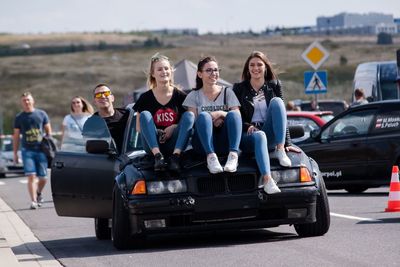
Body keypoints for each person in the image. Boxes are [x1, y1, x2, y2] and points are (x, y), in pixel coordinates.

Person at [233, 51, 300, 194]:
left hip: (269, 133)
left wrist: (288, 143)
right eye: (252, 65)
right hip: (249, 136)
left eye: (259, 64)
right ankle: (267, 180)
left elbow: (282, 115)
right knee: (260, 135)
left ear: (265, 67)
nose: (255, 68)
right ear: (247, 68)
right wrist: (248, 126)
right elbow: (235, 115)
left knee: (277, 102)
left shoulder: (275, 85)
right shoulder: (239, 88)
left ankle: (280, 149)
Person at [133, 53, 194, 171]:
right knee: (145, 115)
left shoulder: (181, 96)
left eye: (166, 68)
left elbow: (189, 123)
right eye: (159, 69)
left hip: (174, 145)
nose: (163, 72)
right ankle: (158, 157)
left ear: (171, 71)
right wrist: (157, 132)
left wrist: (174, 127)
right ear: (153, 73)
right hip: (152, 146)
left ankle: (175, 158)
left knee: (190, 115)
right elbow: (139, 128)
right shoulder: (145, 98)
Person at [183, 56, 242, 174]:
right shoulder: (193, 96)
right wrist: (210, 118)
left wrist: (220, 113)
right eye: (209, 70)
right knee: (204, 116)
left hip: (224, 141)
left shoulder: (227, 92)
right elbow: (193, 123)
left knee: (233, 115)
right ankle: (211, 157)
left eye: (216, 70)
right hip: (202, 144)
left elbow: (237, 117)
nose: (213, 73)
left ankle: (233, 156)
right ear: (200, 74)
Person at [13, 92, 52, 209]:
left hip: (41, 150)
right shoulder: (19, 117)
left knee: (43, 177)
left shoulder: (41, 114)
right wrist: (15, 153)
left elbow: (48, 132)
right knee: (31, 176)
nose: (26, 102)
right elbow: (16, 136)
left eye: (28, 99)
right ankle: (33, 201)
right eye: (24, 100)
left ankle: (38, 193)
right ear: (21, 103)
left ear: (33, 100)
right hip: (27, 150)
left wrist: (49, 147)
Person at [92, 84, 129, 153]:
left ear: (112, 98)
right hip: (108, 161)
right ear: (95, 101)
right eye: (98, 95)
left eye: (106, 93)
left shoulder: (127, 115)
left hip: (133, 158)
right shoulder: (92, 123)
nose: (103, 96)